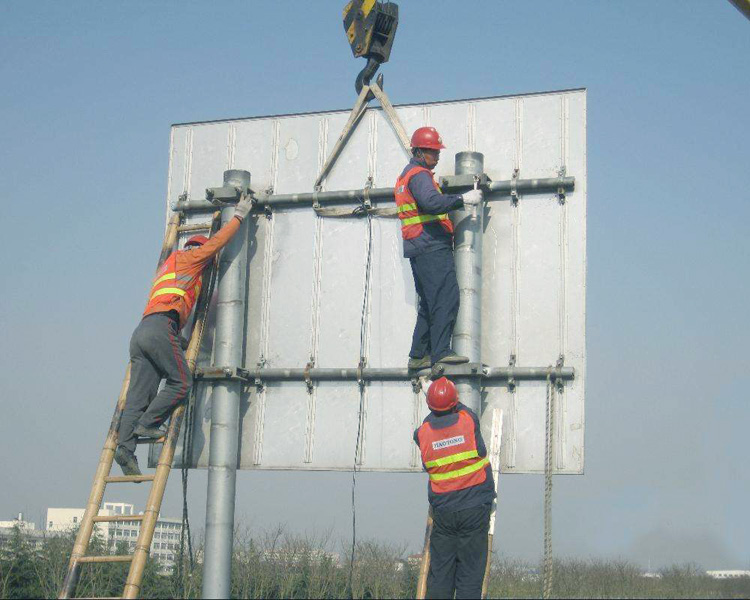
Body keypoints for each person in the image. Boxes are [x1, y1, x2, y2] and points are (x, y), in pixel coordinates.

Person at [114, 194, 253, 476]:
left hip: (143, 333)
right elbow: (215, 245)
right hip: (160, 329)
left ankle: (125, 449)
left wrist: (180, 342)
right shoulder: (190, 259)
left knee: (138, 397)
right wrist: (238, 216)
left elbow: (168, 309)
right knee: (181, 382)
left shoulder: (168, 268)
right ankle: (149, 425)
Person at [395, 127, 483, 369]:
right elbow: (431, 203)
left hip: (418, 246)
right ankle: (440, 351)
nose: (437, 156)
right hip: (431, 245)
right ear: (419, 152)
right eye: (433, 152)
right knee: (446, 297)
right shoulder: (419, 175)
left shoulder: (406, 176)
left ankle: (418, 354)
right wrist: (462, 199)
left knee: (429, 301)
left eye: (437, 151)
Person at [414, 377, 495, 599]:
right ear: (455, 402)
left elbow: (428, 423)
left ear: (430, 406)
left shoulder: (422, 434)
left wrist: (429, 393)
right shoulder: (468, 420)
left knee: (441, 574)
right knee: (470, 575)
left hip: (444, 514)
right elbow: (461, 409)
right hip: (474, 508)